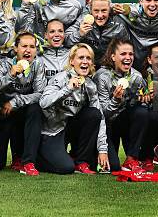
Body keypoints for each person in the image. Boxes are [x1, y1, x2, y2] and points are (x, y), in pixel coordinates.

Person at [38, 43, 109, 174]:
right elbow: (43, 102)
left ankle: (81, 161)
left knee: (94, 114)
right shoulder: (60, 78)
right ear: (72, 61)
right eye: (81, 57)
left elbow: (100, 118)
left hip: (72, 128)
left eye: (88, 58)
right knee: (65, 168)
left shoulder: (90, 85)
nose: (85, 61)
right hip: (54, 130)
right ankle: (40, 157)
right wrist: (68, 89)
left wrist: (103, 150)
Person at [0, 32, 46, 176]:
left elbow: (41, 94)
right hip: (3, 113)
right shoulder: (4, 63)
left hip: (23, 112)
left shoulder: (37, 64)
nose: (28, 50)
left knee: (36, 109)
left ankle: (28, 162)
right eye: (24, 46)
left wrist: (16, 102)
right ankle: (7, 155)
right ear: (16, 48)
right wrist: (10, 75)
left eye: (32, 47)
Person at [95, 39, 150, 172]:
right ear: (113, 56)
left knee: (143, 112)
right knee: (113, 167)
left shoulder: (137, 77)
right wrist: (115, 100)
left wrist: (145, 99)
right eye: (123, 54)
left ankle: (132, 159)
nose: (128, 57)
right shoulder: (102, 76)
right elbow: (102, 114)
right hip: (106, 125)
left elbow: (140, 107)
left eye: (130, 54)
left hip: (125, 123)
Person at [65, 0, 129, 65]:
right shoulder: (83, 20)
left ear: (109, 10)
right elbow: (66, 41)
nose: (100, 15)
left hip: (110, 68)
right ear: (90, 10)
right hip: (87, 67)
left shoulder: (119, 25)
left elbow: (126, 50)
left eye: (104, 11)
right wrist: (79, 34)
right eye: (96, 11)